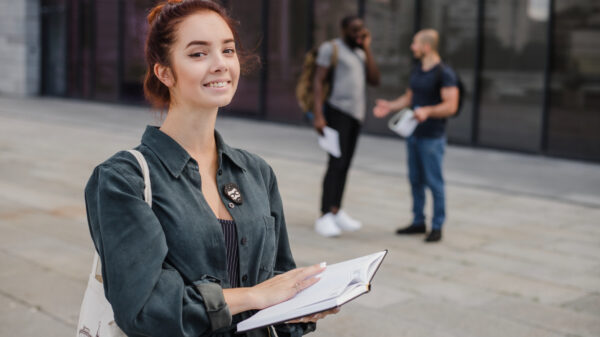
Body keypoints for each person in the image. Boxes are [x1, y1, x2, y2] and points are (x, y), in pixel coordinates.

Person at [84, 1, 338, 336]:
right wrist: (254, 296)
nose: (220, 64)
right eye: (198, 54)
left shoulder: (256, 172)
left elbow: (279, 280)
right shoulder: (122, 180)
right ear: (164, 72)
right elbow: (146, 309)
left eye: (228, 50)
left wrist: (303, 303)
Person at [373, 29, 459, 243]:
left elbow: (451, 106)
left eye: (415, 43)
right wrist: (390, 106)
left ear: (426, 46)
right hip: (413, 134)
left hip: (432, 137)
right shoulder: (418, 69)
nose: (412, 47)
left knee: (434, 182)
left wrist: (428, 111)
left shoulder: (444, 73)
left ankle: (437, 226)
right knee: (415, 180)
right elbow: (409, 98)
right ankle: (418, 222)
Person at [312, 15, 380, 237]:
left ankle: (336, 209)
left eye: (361, 30)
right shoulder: (331, 48)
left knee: (346, 164)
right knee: (335, 163)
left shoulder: (360, 52)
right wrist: (319, 115)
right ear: (343, 29)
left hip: (355, 116)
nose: (358, 34)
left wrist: (367, 48)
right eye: (354, 30)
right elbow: (318, 81)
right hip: (336, 113)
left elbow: (375, 79)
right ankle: (324, 215)